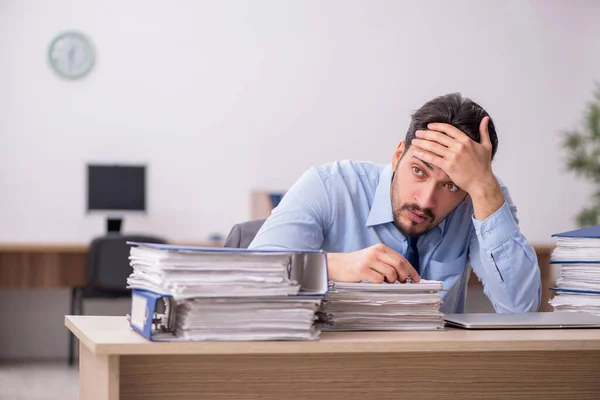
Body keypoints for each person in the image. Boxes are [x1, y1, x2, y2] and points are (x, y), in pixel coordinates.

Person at [248, 93, 541, 313]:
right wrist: (332, 266)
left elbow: (521, 310)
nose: (425, 200)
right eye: (418, 171)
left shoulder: (480, 196)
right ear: (398, 155)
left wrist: (483, 188)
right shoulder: (329, 186)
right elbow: (254, 277)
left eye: (450, 185)